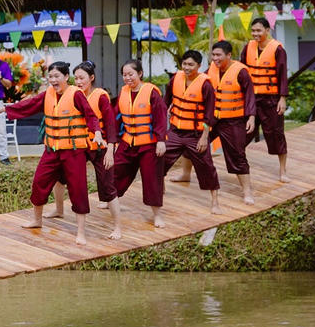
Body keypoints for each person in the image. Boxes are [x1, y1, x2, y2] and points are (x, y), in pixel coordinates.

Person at [0, 61, 103, 245]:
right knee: (39, 182)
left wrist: (98, 133)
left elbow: (91, 116)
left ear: (66, 78)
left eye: (57, 76)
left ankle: (81, 232)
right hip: (52, 150)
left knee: (78, 189)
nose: (53, 80)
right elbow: (28, 105)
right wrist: (6, 109)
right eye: (51, 77)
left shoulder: (76, 94)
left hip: (73, 151)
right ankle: (37, 220)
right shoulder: (47, 94)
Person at [48, 61, 116, 219]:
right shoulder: (70, 95)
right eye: (76, 78)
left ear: (91, 78)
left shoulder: (101, 96)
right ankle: (59, 209)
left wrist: (110, 151)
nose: (78, 82)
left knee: (107, 183)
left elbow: (111, 124)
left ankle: (115, 221)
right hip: (78, 145)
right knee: (59, 176)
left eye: (82, 78)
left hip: (98, 146)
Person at [108, 59, 168, 235]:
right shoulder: (123, 92)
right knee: (116, 170)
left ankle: (157, 214)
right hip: (128, 142)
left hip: (149, 143)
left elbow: (160, 117)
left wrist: (161, 140)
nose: (127, 78)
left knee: (151, 178)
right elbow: (116, 116)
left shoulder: (152, 92)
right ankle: (111, 199)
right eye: (124, 75)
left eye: (131, 74)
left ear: (140, 74)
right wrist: (112, 138)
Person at [162, 50, 222, 213]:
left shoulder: (205, 84)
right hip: (175, 132)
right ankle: (160, 189)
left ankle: (215, 202)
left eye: (191, 64)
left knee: (207, 166)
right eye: (185, 64)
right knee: (159, 159)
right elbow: (165, 102)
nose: (187, 67)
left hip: (195, 135)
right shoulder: (175, 79)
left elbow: (209, 115)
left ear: (199, 66)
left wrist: (204, 137)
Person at [206, 40, 257, 204]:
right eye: (213, 55)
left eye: (218, 55)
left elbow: (250, 95)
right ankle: (185, 174)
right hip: (213, 118)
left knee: (237, 155)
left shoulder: (241, 72)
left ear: (228, 55)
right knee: (192, 143)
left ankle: (247, 191)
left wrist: (251, 117)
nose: (215, 58)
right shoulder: (210, 69)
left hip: (233, 120)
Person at [243, 18, 289, 182]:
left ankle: (283, 171)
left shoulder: (278, 49)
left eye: (259, 30)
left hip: (271, 99)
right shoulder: (248, 47)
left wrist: (282, 98)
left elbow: (282, 75)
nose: (255, 34)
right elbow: (241, 72)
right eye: (253, 31)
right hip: (251, 99)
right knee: (243, 133)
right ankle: (241, 169)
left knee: (276, 133)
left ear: (267, 30)